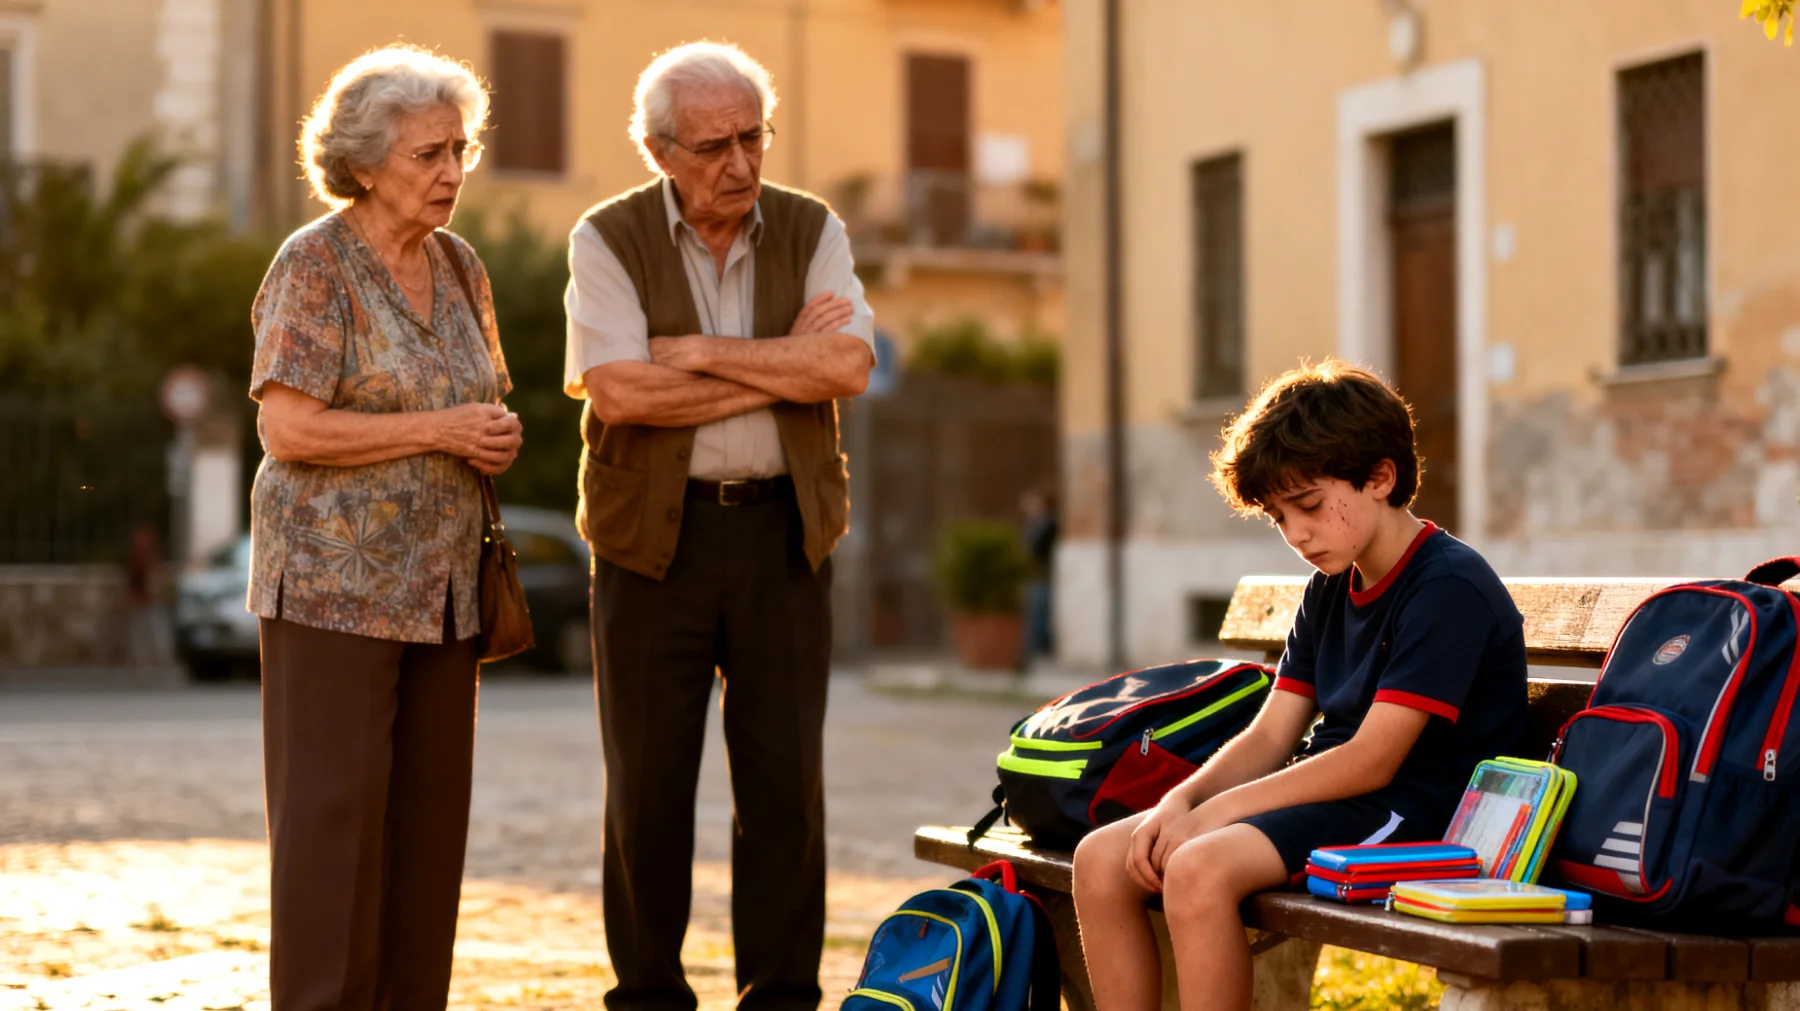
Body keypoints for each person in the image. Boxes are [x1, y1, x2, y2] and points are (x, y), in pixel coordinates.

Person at [562, 41, 875, 1011]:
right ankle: (649, 994)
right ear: (660, 152)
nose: (740, 164)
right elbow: (619, 393)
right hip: (650, 545)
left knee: (785, 784)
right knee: (647, 786)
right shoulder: (606, 238)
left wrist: (697, 351)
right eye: (712, 147)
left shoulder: (812, 228)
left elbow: (847, 368)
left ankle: (781, 996)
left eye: (753, 137)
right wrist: (781, 365)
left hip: (786, 536)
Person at [1070, 360, 1527, 1011]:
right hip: (1336, 797)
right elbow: (1270, 735)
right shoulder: (1330, 586)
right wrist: (1184, 799)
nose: (1296, 534)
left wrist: (1218, 814)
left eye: (1308, 506)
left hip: (1416, 814)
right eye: (1278, 517)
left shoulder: (1446, 587)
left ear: (1380, 478)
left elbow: (1372, 760)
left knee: (1198, 868)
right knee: (1100, 859)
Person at [246, 45, 520, 1011]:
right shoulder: (314, 263)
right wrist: (440, 429)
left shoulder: (461, 264)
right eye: (428, 154)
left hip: (445, 597)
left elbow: (481, 397)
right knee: (332, 834)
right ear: (364, 164)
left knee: (427, 838)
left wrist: (492, 434)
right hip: (333, 592)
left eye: (460, 149)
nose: (452, 172)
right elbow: (288, 428)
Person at [1019, 485, 1058, 666]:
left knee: (1041, 612)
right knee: (1034, 611)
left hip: (1043, 576)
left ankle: (1041, 648)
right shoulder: (1033, 525)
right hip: (1034, 576)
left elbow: (1037, 549)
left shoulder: (1049, 525)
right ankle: (1033, 648)